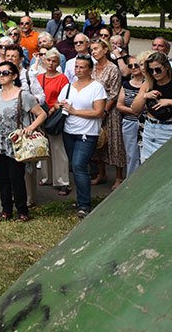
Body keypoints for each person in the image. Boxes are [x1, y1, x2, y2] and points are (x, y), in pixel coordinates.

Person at [0, 61, 47, 221]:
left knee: (16, 178)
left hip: (16, 144)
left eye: (5, 73)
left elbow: (42, 114)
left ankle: (22, 210)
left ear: (14, 76)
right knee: (3, 178)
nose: (1, 76)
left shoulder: (23, 95)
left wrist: (31, 128)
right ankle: (6, 209)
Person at [58, 54, 106, 217]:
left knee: (79, 165)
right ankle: (80, 200)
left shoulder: (96, 88)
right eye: (76, 66)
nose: (78, 70)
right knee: (76, 166)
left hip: (87, 133)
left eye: (82, 67)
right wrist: (61, 106)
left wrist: (75, 111)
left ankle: (85, 205)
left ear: (90, 70)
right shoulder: (69, 87)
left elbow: (98, 112)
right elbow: (61, 104)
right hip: (69, 132)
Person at [129, 51, 172, 163]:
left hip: (168, 131)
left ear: (166, 68)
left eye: (158, 69)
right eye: (151, 70)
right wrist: (145, 96)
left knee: (166, 165)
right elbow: (135, 110)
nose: (154, 73)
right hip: (149, 129)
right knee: (146, 167)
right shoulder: (148, 84)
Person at [90, 39, 125, 190]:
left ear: (105, 50)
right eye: (91, 50)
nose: (93, 52)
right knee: (99, 142)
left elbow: (114, 93)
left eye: (96, 48)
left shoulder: (112, 69)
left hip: (110, 111)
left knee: (114, 142)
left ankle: (119, 177)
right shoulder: (92, 68)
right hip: (94, 110)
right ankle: (101, 174)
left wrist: (104, 111)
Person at [36, 49, 71, 195]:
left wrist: (52, 109)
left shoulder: (62, 78)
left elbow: (64, 98)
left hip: (54, 116)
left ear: (58, 63)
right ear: (44, 61)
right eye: (48, 60)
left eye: (54, 61)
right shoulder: (39, 77)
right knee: (43, 147)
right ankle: (47, 177)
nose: (51, 63)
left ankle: (63, 181)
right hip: (40, 115)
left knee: (58, 148)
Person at [116, 54, 145, 178]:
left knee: (144, 155)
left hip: (145, 124)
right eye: (130, 66)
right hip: (129, 123)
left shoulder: (148, 84)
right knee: (131, 156)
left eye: (136, 65)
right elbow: (119, 105)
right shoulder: (126, 84)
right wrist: (133, 110)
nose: (133, 68)